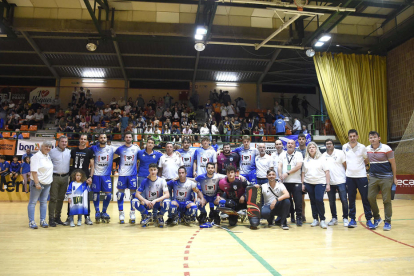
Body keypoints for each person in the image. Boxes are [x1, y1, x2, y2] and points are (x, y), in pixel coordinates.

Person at [343, 129, 374, 228]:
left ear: (357, 137)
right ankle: (352, 219)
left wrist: (363, 167)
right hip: (349, 177)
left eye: (354, 136)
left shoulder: (362, 147)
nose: (352, 138)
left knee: (365, 199)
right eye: (350, 136)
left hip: (361, 177)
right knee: (351, 199)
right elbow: (344, 161)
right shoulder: (345, 147)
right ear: (348, 137)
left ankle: (369, 220)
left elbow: (366, 159)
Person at [366, 131, 397, 231]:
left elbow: (393, 163)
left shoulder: (387, 148)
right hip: (373, 177)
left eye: (375, 137)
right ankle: (377, 217)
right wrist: (366, 169)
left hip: (386, 177)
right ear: (369, 139)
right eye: (371, 138)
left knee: (386, 200)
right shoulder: (367, 149)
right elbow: (365, 161)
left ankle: (387, 222)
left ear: (379, 138)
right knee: (370, 197)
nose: (373, 139)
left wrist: (394, 178)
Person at [301, 142, 330, 229]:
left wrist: (328, 184)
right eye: (310, 147)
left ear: (316, 149)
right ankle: (315, 219)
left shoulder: (322, 159)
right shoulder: (305, 160)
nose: (312, 149)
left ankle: (322, 220)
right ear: (308, 150)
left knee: (319, 200)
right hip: (309, 183)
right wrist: (302, 184)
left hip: (320, 183)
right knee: (312, 201)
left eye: (313, 147)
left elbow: (327, 172)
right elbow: (303, 173)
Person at [114, 132, 140, 224]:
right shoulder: (120, 149)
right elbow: (112, 157)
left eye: (130, 137)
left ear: (132, 138)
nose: (128, 138)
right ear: (124, 138)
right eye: (127, 137)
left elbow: (140, 158)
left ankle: (132, 213)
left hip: (132, 175)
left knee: (133, 195)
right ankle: (121, 214)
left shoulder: (136, 148)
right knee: (120, 195)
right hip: (122, 175)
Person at [68, 134, 94, 225]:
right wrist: (70, 175)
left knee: (85, 199)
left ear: (87, 140)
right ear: (79, 140)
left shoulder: (89, 151)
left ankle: (87, 217)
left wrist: (90, 176)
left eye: (85, 139)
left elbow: (92, 165)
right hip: (74, 178)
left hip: (84, 179)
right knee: (72, 197)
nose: (83, 140)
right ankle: (69, 217)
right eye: (82, 139)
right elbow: (71, 164)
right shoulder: (73, 151)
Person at [27, 141, 54, 229]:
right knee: (33, 202)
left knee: (43, 202)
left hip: (47, 184)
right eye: (46, 146)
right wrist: (36, 183)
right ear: (42, 146)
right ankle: (31, 222)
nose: (48, 148)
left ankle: (43, 220)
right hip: (38, 183)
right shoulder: (36, 156)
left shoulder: (48, 156)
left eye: (49, 147)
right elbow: (34, 172)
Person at [91, 133, 116, 223]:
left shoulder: (111, 148)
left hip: (106, 175)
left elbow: (122, 151)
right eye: (101, 137)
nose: (103, 139)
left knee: (109, 195)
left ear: (106, 139)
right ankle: (97, 211)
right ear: (98, 138)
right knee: (95, 194)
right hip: (96, 175)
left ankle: (104, 211)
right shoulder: (94, 148)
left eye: (104, 137)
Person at [323, 139, 349, 227]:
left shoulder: (340, 153)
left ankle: (345, 218)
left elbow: (346, 166)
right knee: (331, 201)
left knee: (344, 200)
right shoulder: (323, 156)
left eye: (330, 143)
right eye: (327, 144)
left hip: (341, 181)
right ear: (325, 146)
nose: (329, 145)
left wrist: (347, 178)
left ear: (333, 145)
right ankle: (334, 218)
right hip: (330, 182)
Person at [278, 139, 304, 226]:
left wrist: (287, 173)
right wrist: (280, 175)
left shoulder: (298, 154)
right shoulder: (282, 154)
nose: (290, 145)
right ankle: (292, 216)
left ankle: (299, 217)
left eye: (292, 144)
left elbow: (298, 166)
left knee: (298, 201)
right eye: (288, 143)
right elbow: (279, 166)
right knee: (288, 201)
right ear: (286, 145)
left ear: (295, 145)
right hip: (285, 182)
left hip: (296, 181)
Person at [48, 135, 71, 227]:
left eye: (66, 142)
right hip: (55, 177)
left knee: (61, 199)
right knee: (53, 198)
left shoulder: (69, 152)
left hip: (65, 177)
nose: (64, 143)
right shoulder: (52, 152)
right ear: (58, 142)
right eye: (62, 141)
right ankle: (51, 219)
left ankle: (58, 217)